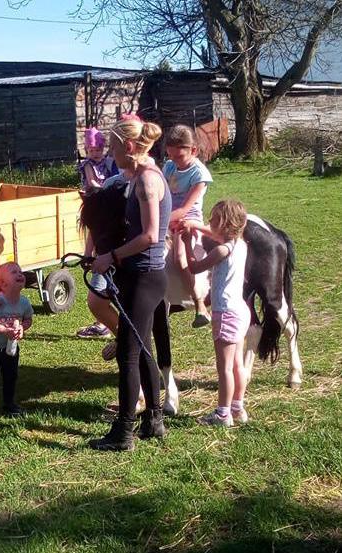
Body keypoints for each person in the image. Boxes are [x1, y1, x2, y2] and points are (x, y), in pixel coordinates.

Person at [89, 114, 171, 452]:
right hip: (144, 275)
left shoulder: (148, 182)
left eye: (112, 147)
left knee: (128, 354)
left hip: (143, 275)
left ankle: (123, 432)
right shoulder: (140, 177)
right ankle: (154, 420)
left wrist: (112, 257)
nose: (110, 153)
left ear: (129, 147)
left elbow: (151, 235)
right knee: (143, 347)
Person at [180, 200, 250, 426]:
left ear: (225, 224)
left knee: (225, 369)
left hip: (226, 313)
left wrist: (188, 243)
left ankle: (222, 414)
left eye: (213, 219)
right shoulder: (241, 245)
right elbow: (217, 235)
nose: (209, 222)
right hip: (240, 310)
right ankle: (238, 407)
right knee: (238, 365)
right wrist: (197, 226)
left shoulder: (220, 250)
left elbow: (194, 268)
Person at [164, 124, 213, 327]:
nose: (175, 161)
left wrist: (158, 221)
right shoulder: (168, 166)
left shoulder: (200, 175)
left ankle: (199, 303)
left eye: (179, 157)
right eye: (171, 156)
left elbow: (184, 209)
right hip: (165, 216)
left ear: (193, 150)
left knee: (179, 258)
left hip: (186, 221)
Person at [76, 127, 118, 342]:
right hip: (98, 198)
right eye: (92, 149)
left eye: (99, 149)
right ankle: (107, 324)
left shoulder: (112, 164)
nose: (96, 153)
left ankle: (113, 326)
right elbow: (92, 183)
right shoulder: (87, 166)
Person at [0, 262, 33, 416]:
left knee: (11, 375)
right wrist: (4, 330)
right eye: (14, 272)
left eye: (20, 271)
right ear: (2, 283)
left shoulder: (24, 302)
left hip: (11, 347)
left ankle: (9, 403)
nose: (20, 274)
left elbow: (28, 320)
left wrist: (22, 328)